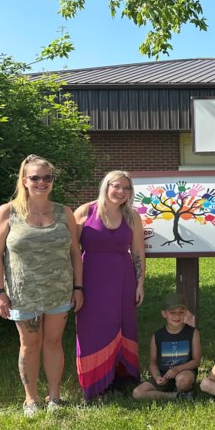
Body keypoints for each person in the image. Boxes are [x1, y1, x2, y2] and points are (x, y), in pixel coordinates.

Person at [0, 154, 84, 417]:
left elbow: (75, 252)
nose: (42, 182)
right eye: (35, 177)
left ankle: (54, 397)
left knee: (53, 343)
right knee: (30, 344)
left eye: (47, 177)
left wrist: (78, 288)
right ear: (25, 180)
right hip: (22, 293)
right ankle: (31, 399)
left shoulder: (64, 213)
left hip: (59, 290)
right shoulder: (8, 212)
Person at [74, 170, 146, 401]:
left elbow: (138, 252)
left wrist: (140, 283)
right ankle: (96, 382)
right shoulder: (86, 211)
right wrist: (75, 285)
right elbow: (72, 251)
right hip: (91, 277)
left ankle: (122, 377)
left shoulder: (132, 216)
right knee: (93, 328)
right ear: (106, 186)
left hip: (123, 278)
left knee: (123, 325)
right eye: (117, 186)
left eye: (127, 188)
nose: (121, 192)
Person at [132, 294, 201, 400]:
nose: (177, 316)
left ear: (185, 313)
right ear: (164, 314)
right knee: (137, 393)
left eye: (181, 312)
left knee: (183, 381)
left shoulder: (192, 333)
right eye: (172, 313)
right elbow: (153, 363)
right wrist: (157, 377)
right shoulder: (157, 336)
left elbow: (196, 361)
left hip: (184, 371)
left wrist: (177, 369)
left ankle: (182, 390)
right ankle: (176, 396)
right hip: (164, 375)